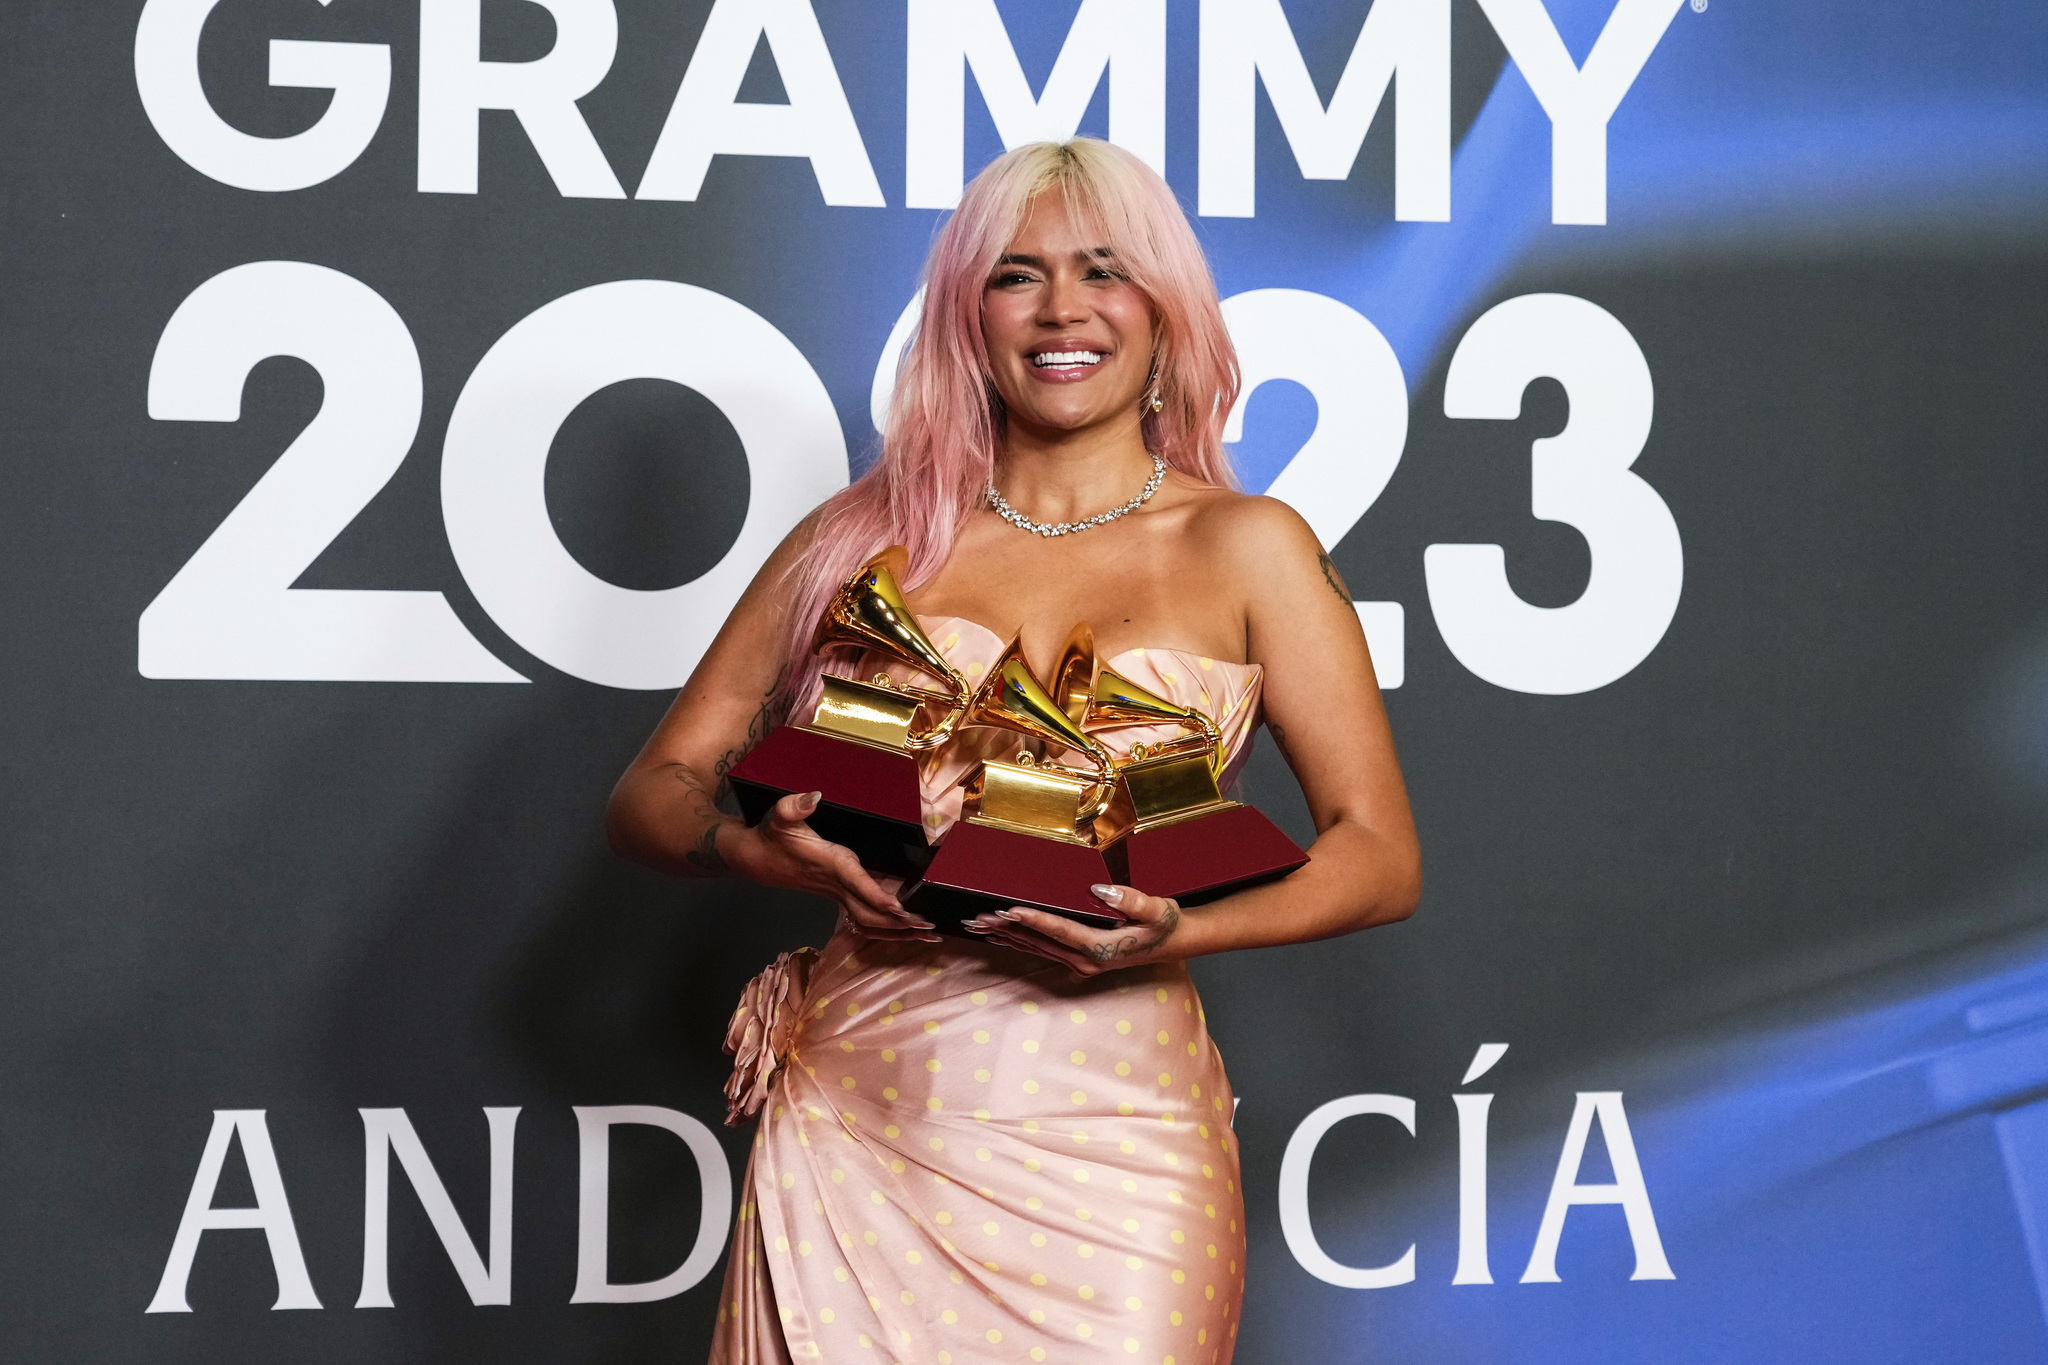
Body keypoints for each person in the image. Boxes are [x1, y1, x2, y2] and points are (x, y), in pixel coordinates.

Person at [607, 137, 1420, 1365]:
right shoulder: (856, 541)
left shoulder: (1249, 545)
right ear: (963, 317)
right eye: (1014, 276)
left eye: (1105, 270)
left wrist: (1181, 931)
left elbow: (1377, 854)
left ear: (1164, 310)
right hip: (863, 1111)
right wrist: (752, 853)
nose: (1061, 312)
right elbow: (652, 791)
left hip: (1115, 1137)